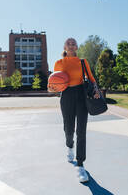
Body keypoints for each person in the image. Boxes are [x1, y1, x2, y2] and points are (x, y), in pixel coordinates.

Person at [48, 38, 100, 183]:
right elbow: (53, 84)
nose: (71, 45)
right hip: (66, 95)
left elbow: (92, 79)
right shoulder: (59, 63)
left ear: (76, 47)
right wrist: (51, 88)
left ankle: (80, 165)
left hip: (81, 95)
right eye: (68, 43)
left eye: (73, 43)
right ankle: (69, 146)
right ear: (64, 47)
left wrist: (96, 90)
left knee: (81, 130)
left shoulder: (83, 62)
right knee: (68, 128)